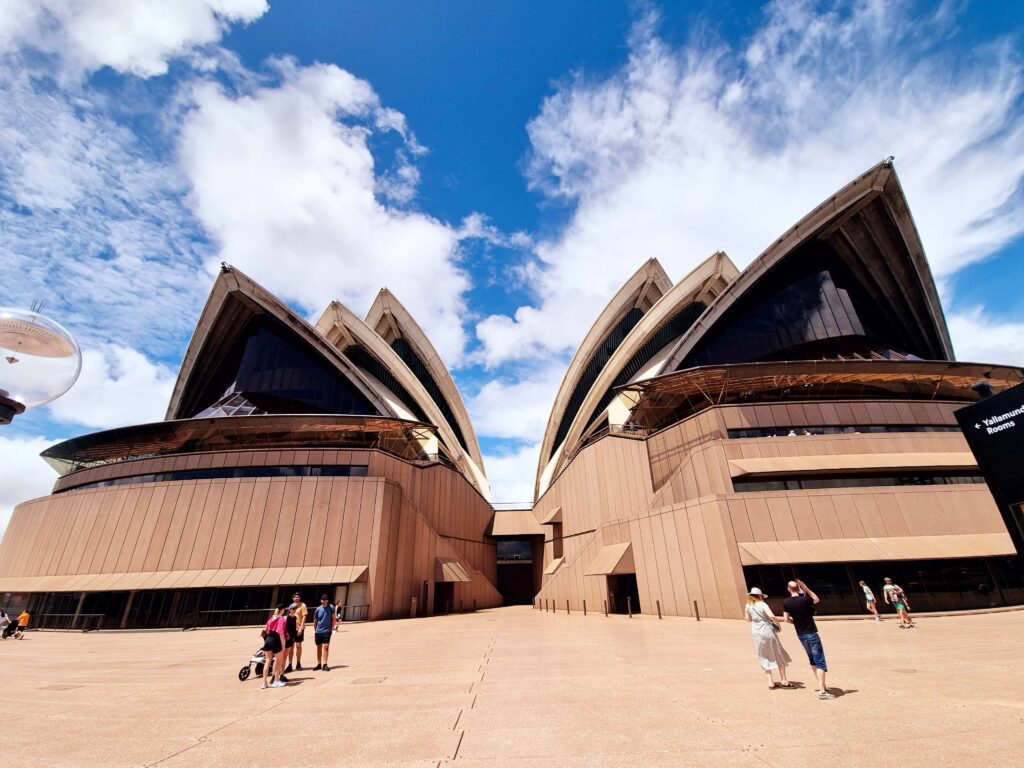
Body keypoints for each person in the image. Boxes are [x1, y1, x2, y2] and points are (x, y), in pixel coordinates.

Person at [782, 579, 834, 700]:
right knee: (819, 661)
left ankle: (822, 685)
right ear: (798, 588)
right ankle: (822, 691)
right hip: (812, 633)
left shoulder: (786, 602)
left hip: (801, 634)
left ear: (788, 589)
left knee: (812, 660)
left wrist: (795, 623)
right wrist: (806, 588)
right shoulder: (805, 600)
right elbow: (816, 599)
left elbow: (785, 619)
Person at [743, 588, 793, 689]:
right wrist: (778, 625)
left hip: (756, 631)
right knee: (778, 652)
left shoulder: (748, 605)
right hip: (766, 629)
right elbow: (771, 616)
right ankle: (784, 680)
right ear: (759, 596)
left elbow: (748, 619)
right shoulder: (762, 604)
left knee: (763, 654)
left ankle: (770, 682)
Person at [261, 605, 289, 689]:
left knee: (268, 661)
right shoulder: (281, 619)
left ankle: (264, 682)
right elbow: (280, 633)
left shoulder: (270, 619)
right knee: (279, 660)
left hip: (268, 639)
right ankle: (276, 681)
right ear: (282, 610)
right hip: (276, 640)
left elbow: (266, 630)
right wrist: (282, 645)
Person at [313, 594, 336, 671]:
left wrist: (332, 628)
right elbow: (315, 620)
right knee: (318, 647)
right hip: (318, 631)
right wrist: (315, 629)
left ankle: (325, 664)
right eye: (323, 600)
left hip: (327, 630)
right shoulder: (318, 609)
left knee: (326, 646)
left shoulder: (331, 607)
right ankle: (319, 664)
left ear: (327, 600)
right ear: (321, 600)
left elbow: (334, 619)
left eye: (325, 600)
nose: (324, 601)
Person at [290, 592, 308, 671]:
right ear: (293, 598)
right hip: (291, 628)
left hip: (299, 628)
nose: (296, 598)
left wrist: (301, 628)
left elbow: (304, 617)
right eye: (295, 597)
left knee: (298, 645)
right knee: (290, 647)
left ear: (300, 598)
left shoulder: (302, 605)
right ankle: (290, 664)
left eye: (298, 597)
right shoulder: (291, 606)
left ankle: (298, 663)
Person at [282, 604, 298, 674]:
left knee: (286, 654)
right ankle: (280, 672)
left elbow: (294, 628)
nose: (294, 610)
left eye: (295, 609)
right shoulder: (286, 618)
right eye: (293, 609)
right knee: (283, 655)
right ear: (290, 609)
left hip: (291, 638)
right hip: (286, 638)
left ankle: (283, 670)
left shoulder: (294, 618)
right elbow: (284, 628)